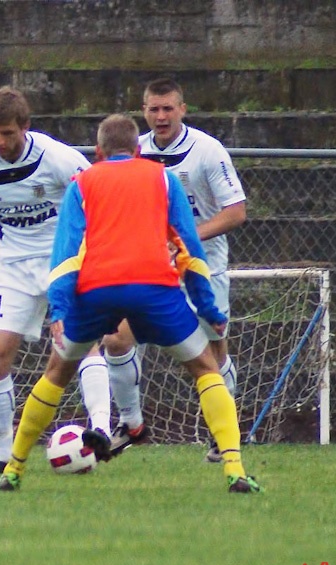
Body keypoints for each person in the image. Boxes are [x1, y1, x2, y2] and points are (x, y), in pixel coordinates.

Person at [0, 113, 260, 494]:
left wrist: (60, 309)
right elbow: (190, 246)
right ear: (139, 150)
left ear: (98, 152)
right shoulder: (163, 177)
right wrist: (209, 309)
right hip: (154, 288)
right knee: (205, 369)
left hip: (96, 290)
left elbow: (66, 253)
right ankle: (234, 470)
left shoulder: (82, 182)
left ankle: (14, 470)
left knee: (56, 372)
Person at [95, 77, 248, 460]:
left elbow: (236, 212)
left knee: (212, 353)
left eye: (168, 108)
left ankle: (223, 433)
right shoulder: (134, 152)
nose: (160, 117)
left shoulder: (208, 151)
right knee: (115, 341)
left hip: (202, 267)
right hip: (148, 269)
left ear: (182, 109)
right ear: (143, 111)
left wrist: (185, 238)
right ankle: (130, 425)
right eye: (153, 109)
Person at [0, 86, 113, 474]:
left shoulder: (60, 159)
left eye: (7, 134)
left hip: (61, 262)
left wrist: (92, 251)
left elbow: (96, 197)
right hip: (12, 266)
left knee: (79, 343)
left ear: (25, 127)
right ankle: (2, 456)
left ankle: (102, 429)